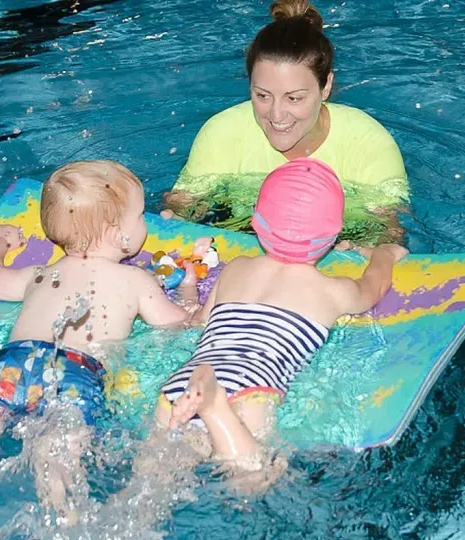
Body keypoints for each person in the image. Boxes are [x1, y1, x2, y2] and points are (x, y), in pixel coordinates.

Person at [0, 160, 194, 521]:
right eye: (140, 215)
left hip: (12, 362)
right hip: (76, 372)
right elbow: (177, 324)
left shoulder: (40, 274)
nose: (146, 223)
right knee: (57, 463)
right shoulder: (136, 281)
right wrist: (187, 287)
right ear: (117, 233)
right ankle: (63, 518)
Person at [156, 158, 408, 471]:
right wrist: (384, 253)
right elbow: (375, 286)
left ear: (257, 223)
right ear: (332, 235)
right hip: (252, 386)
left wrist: (188, 289)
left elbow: (197, 322)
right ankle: (215, 408)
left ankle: (208, 404)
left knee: (159, 474)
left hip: (183, 381)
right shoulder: (332, 291)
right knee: (254, 477)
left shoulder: (236, 270)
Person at [162, 0, 408, 243]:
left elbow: (388, 233)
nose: (276, 115)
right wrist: (175, 220)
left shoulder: (369, 145)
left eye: (294, 98)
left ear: (326, 87)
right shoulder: (222, 134)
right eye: (262, 95)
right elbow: (182, 208)